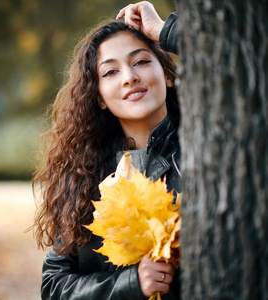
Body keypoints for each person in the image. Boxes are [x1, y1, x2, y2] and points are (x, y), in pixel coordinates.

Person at [33, 2, 181, 299]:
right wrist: (130, 284)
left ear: (167, 75)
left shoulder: (213, 153)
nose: (129, 77)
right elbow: (54, 286)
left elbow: (247, 56)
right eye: (110, 72)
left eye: (141, 62)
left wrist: (168, 32)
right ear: (98, 96)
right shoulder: (84, 175)